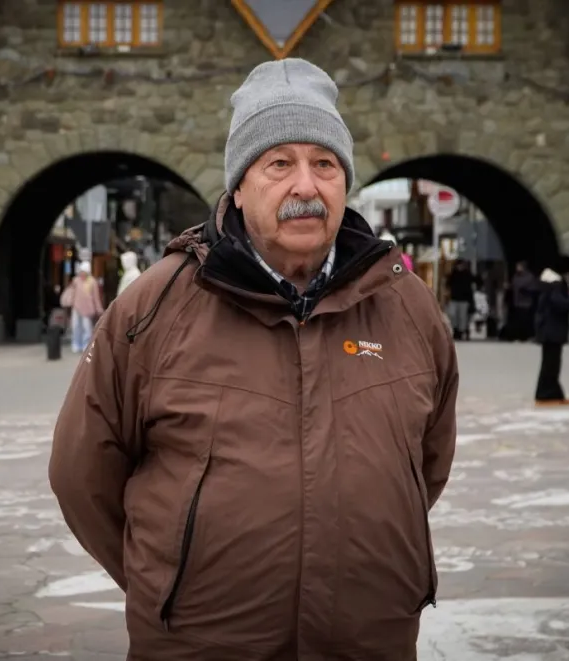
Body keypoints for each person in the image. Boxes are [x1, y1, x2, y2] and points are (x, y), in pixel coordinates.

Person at [49, 58, 458, 660]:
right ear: (239, 186)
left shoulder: (408, 305)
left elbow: (424, 464)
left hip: (369, 641)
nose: (305, 186)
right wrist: (168, 581)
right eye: (279, 164)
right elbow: (82, 475)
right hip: (202, 643)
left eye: (324, 164)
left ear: (345, 182)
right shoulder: (154, 308)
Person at [533, 257, 569, 405]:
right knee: (551, 364)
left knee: (550, 363)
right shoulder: (556, 284)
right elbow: (558, 302)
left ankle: (552, 393)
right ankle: (547, 394)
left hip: (548, 329)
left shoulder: (548, 282)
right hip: (553, 329)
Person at [59, 261, 104, 353]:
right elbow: (72, 292)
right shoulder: (76, 280)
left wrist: (99, 308)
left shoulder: (92, 282)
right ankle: (76, 344)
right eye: (81, 272)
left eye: (84, 272)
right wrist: (70, 301)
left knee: (86, 327)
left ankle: (86, 345)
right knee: (75, 326)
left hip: (88, 308)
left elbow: (96, 297)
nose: (82, 274)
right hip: (76, 307)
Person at [446, 260, 475, 340]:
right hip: (454, 298)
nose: (460, 267)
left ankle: (460, 331)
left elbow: (472, 283)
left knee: (462, 317)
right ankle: (455, 329)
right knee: (452, 315)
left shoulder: (467, 274)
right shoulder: (453, 274)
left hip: (464, 299)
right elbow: (448, 284)